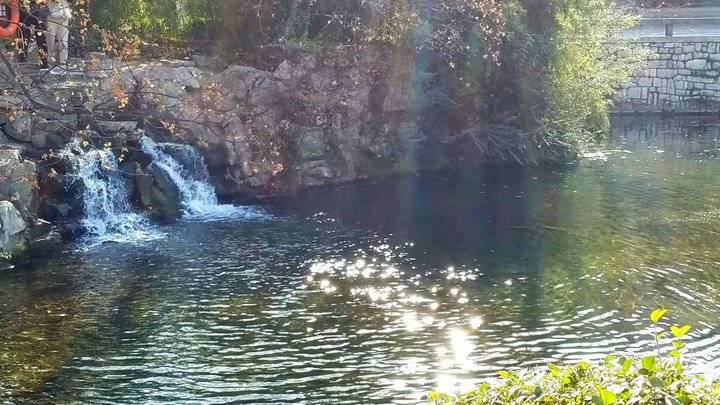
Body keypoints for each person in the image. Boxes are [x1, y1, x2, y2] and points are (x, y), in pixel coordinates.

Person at [18, 3, 49, 68]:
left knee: (41, 39)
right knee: (24, 36)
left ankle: (44, 61)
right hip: (24, 13)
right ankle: (22, 60)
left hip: (39, 14)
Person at [46, 0, 71, 68]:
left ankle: (63, 62)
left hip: (64, 16)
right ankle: (50, 61)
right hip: (52, 16)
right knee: (50, 40)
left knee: (64, 41)